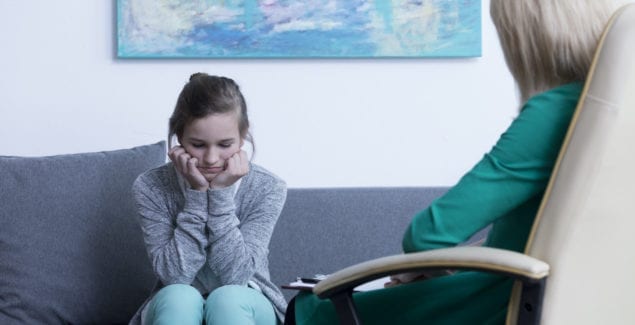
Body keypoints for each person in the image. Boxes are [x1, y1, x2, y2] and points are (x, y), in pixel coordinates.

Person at [284, 0, 627, 324]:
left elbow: (426, 235)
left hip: (493, 305)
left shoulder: (552, 113)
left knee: (310, 307)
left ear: (530, 39)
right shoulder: (619, 120)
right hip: (575, 306)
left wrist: (437, 268)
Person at [129, 73, 287, 325]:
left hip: (247, 300)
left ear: (243, 135)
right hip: (175, 302)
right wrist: (197, 195)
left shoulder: (268, 187)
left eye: (225, 144)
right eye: (198, 145)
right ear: (179, 138)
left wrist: (221, 195)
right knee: (180, 297)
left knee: (228, 300)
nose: (211, 158)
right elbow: (175, 275)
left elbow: (237, 276)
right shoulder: (151, 187)